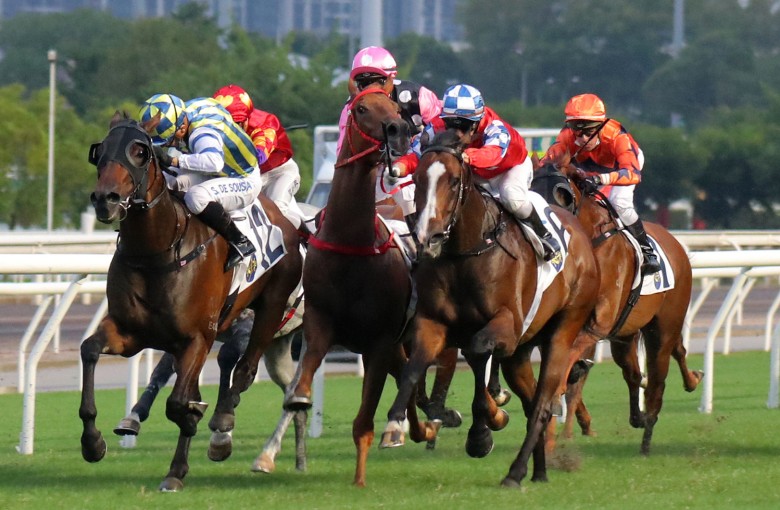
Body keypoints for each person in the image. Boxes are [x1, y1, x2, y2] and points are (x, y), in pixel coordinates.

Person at [390, 84, 561, 261]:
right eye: (450, 124)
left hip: (509, 168)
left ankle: (543, 235)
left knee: (512, 197)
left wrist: (467, 156)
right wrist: (399, 167)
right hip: (473, 169)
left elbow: (492, 155)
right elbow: (418, 153)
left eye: (463, 126)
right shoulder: (435, 127)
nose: (456, 133)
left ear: (477, 122)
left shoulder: (495, 127)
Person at [138, 93, 261, 271]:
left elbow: (214, 162)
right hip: (221, 169)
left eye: (168, 141)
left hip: (241, 177)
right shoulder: (185, 110)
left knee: (196, 197)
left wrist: (173, 160)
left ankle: (240, 241)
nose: (167, 146)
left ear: (181, 128)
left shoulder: (201, 134)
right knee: (167, 180)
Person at [541, 93, 660, 274]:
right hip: (588, 167)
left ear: (600, 125)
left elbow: (632, 174)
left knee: (619, 203)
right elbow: (548, 161)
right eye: (576, 130)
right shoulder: (567, 136)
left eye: (589, 131)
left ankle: (647, 251)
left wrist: (600, 179)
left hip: (622, 168)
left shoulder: (618, 137)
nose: (582, 138)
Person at [338, 46, 444, 222]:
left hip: (418, 167)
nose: (370, 89)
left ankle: (421, 236)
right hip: (377, 171)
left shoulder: (417, 96)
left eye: (378, 81)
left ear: (390, 79)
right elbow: (343, 155)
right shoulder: (351, 109)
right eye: (363, 83)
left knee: (407, 194)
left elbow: (443, 128)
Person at [212, 84, 306, 233]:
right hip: (249, 176)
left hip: (278, 173)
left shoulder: (265, 123)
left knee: (276, 212)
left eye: (236, 124)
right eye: (225, 124)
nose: (231, 130)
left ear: (246, 119)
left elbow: (257, 157)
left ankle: (308, 237)